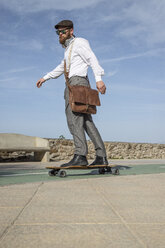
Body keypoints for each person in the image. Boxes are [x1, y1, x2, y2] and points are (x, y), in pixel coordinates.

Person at [36, 20, 108, 167]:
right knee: (87, 123)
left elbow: (91, 58)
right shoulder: (69, 49)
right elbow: (61, 67)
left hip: (76, 84)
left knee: (73, 120)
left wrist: (99, 79)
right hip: (78, 84)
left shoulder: (79, 42)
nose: (60, 35)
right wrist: (45, 77)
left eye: (63, 31)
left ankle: (80, 155)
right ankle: (101, 156)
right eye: (58, 33)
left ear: (71, 30)